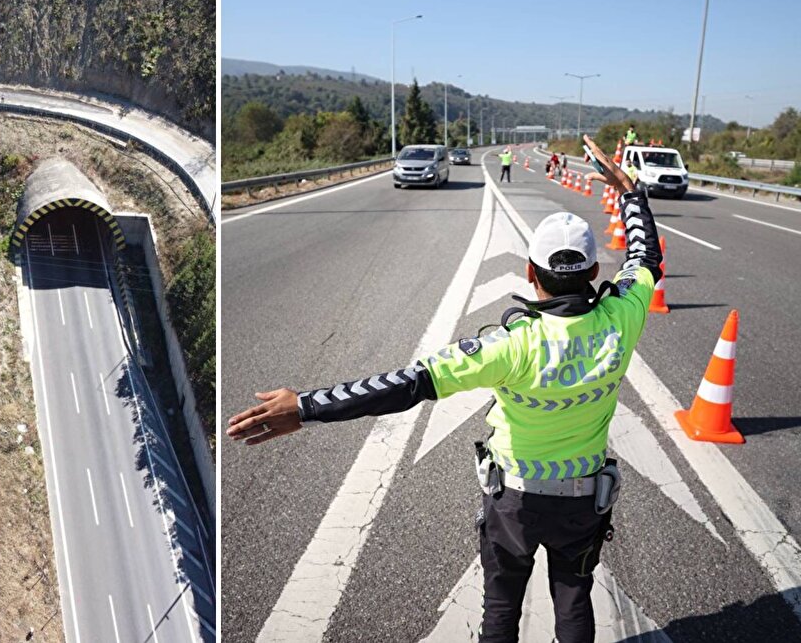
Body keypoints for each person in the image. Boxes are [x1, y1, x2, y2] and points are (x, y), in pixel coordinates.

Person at [228, 134, 663, 643]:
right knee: (573, 598)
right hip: (583, 500)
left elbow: (404, 385)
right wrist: (632, 195)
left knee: (501, 608)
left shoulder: (508, 346)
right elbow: (645, 256)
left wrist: (305, 407)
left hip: (515, 503)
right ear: (593, 271)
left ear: (529, 273)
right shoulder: (623, 316)